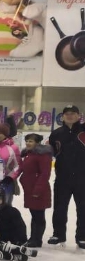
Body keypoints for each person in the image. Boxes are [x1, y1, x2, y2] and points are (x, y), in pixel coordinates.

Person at [48, 105, 85, 248]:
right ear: (62, 116)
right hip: (62, 177)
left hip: (82, 178)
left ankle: (82, 237)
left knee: (83, 208)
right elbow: (51, 152)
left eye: (73, 113)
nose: (70, 116)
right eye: (67, 113)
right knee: (59, 207)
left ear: (79, 115)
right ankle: (58, 234)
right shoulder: (56, 133)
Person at [18, 133, 52, 247]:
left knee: (38, 215)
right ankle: (33, 238)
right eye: (27, 141)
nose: (28, 143)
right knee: (34, 214)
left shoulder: (43, 155)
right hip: (30, 189)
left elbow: (45, 173)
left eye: (31, 141)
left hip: (38, 190)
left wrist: (38, 190)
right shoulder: (29, 154)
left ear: (37, 143)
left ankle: (37, 240)